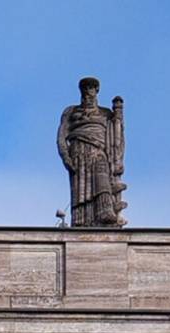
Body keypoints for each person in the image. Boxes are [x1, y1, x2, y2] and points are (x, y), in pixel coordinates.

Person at [57, 77, 125, 228]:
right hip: (78, 153)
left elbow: (116, 136)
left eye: (92, 88)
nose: (88, 92)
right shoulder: (71, 111)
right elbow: (61, 136)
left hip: (98, 151)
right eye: (85, 88)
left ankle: (105, 213)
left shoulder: (106, 113)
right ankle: (81, 220)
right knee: (81, 189)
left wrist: (118, 118)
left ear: (96, 91)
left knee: (102, 182)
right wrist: (65, 157)